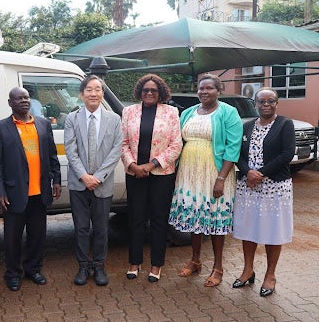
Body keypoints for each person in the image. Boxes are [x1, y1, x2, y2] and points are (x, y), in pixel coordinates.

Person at [168, 74, 242, 287]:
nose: (204, 92)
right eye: (201, 88)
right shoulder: (189, 112)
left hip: (215, 173)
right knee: (195, 217)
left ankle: (218, 266)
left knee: (215, 220)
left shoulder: (228, 112)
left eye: (210, 88)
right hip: (189, 174)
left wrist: (221, 179)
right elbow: (177, 141)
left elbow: (233, 147)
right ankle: (195, 260)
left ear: (219, 91)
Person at [0, 86, 61, 292]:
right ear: (10, 103)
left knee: (37, 235)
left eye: (26, 97)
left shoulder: (43, 124)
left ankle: (33, 269)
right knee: (12, 238)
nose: (23, 101)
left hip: (40, 193)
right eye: (18, 98)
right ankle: (13, 273)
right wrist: (0, 191)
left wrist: (56, 179)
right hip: (13, 194)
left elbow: (52, 156)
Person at [232, 87, 295, 297]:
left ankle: (270, 275)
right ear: (255, 103)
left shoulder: (285, 124)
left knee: (272, 231)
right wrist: (247, 171)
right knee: (248, 229)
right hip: (248, 187)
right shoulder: (247, 126)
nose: (265, 105)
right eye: (261, 101)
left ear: (277, 103)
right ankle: (248, 270)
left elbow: (287, 154)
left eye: (270, 101)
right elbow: (237, 154)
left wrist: (259, 174)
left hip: (274, 187)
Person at [121, 74, 183, 282]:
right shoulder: (128, 111)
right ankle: (134, 262)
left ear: (161, 93)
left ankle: (156, 265)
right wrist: (132, 165)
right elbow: (123, 143)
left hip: (161, 174)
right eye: (145, 90)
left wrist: (151, 164)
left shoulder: (171, 112)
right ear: (140, 91)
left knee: (158, 219)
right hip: (135, 173)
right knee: (135, 219)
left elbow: (176, 145)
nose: (149, 93)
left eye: (153, 90)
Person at [64, 75, 122, 286]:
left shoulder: (114, 119)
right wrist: (84, 176)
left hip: (102, 184)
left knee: (101, 228)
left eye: (98, 89)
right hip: (78, 183)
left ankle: (99, 266)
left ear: (102, 94)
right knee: (80, 227)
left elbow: (116, 151)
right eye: (89, 89)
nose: (93, 93)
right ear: (81, 94)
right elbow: (71, 150)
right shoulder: (72, 118)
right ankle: (82, 266)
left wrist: (97, 177)